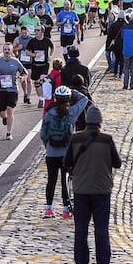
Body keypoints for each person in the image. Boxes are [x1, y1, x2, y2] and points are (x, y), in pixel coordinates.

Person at [65, 105, 122, 264]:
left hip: (81, 190)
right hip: (102, 189)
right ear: (100, 122)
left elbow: (67, 162)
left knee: (81, 228)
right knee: (101, 228)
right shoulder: (107, 139)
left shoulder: (76, 139)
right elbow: (117, 163)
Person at [39, 86, 89, 219]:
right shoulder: (71, 113)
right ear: (68, 98)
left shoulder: (49, 113)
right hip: (66, 153)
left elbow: (43, 134)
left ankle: (49, 209)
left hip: (51, 152)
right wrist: (73, 91)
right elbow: (84, 99)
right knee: (65, 181)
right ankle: (66, 209)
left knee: (51, 180)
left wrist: (48, 146)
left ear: (55, 98)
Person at [0, 43, 27, 141]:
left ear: (11, 51)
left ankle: (9, 132)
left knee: (10, 110)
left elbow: (24, 73)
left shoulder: (16, 62)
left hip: (13, 90)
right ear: (3, 50)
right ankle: (4, 117)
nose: (6, 51)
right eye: (5, 49)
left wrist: (22, 78)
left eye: (8, 49)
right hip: (1, 90)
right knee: (2, 113)